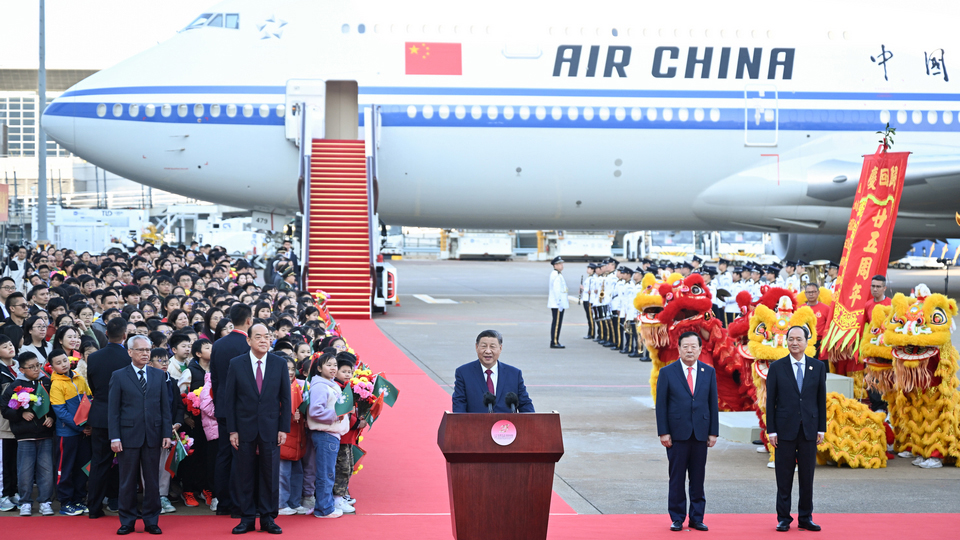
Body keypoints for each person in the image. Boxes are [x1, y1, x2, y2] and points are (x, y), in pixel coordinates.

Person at [224, 323, 291, 535]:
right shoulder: (236, 363)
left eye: (267, 336)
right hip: (244, 427)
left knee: (270, 474)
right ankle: (246, 518)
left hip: (271, 427)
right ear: (249, 340)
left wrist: (283, 428)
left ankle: (268, 518)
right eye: (258, 336)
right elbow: (230, 399)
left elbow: (285, 399)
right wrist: (232, 430)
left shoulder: (279, 363)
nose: (263, 340)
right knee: (244, 474)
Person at [108, 335, 173, 535]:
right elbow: (113, 410)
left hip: (153, 434)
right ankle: (127, 520)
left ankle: (151, 520)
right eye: (140, 350)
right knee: (127, 480)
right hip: (127, 436)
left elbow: (165, 407)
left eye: (148, 350)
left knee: (152, 480)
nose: (145, 353)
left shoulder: (158, 375)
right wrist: (115, 437)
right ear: (130, 352)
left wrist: (166, 433)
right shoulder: (119, 376)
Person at [655, 332, 718, 532]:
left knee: (698, 478)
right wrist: (664, 432)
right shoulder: (667, 373)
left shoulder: (708, 372)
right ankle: (677, 517)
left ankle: (696, 517)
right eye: (685, 346)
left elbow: (712, 404)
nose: (689, 350)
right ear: (679, 348)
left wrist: (713, 432)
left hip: (700, 433)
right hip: (677, 434)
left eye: (693, 346)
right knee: (677, 478)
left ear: (700, 349)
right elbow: (661, 406)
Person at [766, 326, 827, 532]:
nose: (794, 343)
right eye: (790, 339)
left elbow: (820, 399)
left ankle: (805, 517)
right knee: (784, 475)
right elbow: (770, 401)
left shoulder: (817, 367)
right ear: (786, 342)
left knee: (807, 476)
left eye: (798, 339)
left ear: (806, 342)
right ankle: (783, 517)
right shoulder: (777, 367)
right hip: (784, 430)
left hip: (809, 429)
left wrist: (821, 428)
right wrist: (771, 430)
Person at [209, 303, 252, 517]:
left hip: (224, 406)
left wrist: (220, 403)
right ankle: (238, 504)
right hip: (245, 409)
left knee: (224, 454)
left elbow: (215, 379)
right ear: (249, 320)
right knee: (241, 456)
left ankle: (223, 502)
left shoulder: (218, 344)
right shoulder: (249, 344)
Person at [0, 351, 55, 516]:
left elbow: (55, 404)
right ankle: (25, 502)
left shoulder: (46, 382)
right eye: (31, 367)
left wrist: (51, 417)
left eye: (38, 365)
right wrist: (20, 414)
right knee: (25, 471)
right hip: (24, 436)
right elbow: (5, 409)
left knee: (46, 470)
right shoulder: (15, 386)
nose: (36, 369)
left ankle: (45, 501)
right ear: (22, 370)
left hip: (45, 433)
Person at [85, 317, 129, 518]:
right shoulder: (129, 358)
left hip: (101, 414)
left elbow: (93, 387)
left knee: (99, 462)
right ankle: (125, 505)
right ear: (125, 335)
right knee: (127, 463)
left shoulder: (93, 358)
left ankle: (93, 508)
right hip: (125, 417)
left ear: (105, 335)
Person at [48, 349, 93, 516]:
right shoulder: (56, 384)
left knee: (82, 468)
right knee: (64, 469)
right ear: (52, 367)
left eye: (64, 360)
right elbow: (61, 413)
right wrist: (81, 427)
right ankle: (65, 502)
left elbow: (89, 400)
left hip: (83, 433)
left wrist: (89, 425)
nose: (63, 364)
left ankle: (78, 500)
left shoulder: (79, 378)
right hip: (66, 434)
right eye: (58, 363)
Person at [306, 353, 350, 519]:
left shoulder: (330, 385)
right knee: (326, 473)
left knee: (327, 472)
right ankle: (324, 509)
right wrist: (336, 415)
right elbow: (315, 411)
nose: (333, 368)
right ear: (319, 368)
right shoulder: (320, 386)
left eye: (334, 365)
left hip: (331, 434)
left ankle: (323, 505)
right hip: (325, 434)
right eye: (328, 365)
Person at [451, 330, 534, 413]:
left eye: (492, 346)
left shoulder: (514, 374)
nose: (488, 351)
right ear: (477, 347)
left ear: (500, 348)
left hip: (506, 425)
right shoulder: (464, 373)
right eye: (484, 346)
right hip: (476, 425)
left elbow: (525, 405)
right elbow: (459, 406)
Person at [278, 357, 308, 516]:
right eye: (286, 368)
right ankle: (281, 504)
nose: (290, 372)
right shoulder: (274, 387)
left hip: (298, 437)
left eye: (292, 368)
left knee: (297, 473)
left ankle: (294, 502)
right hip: (284, 437)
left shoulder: (300, 387)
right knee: (283, 474)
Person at [803, 283, 830, 356]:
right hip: (806, 343)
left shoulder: (826, 308)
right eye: (808, 292)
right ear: (805, 294)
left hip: (821, 342)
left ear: (818, 293)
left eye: (813, 292)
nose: (811, 294)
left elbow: (830, 326)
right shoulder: (801, 309)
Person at [547, 256, 569, 349]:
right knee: (556, 324)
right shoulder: (555, 275)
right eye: (560, 264)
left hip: (558, 304)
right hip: (557, 304)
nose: (562, 265)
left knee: (557, 323)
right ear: (555, 265)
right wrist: (559, 303)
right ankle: (554, 341)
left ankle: (555, 340)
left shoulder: (558, 274)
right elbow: (557, 291)